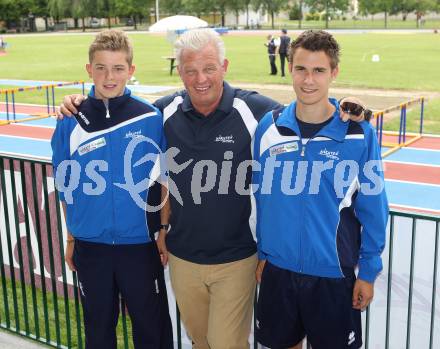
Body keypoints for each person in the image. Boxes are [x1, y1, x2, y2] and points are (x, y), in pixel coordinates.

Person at [58, 28, 366, 349]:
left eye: (208, 68)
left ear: (225, 66)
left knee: (225, 343)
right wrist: (78, 103)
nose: (200, 78)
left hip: (237, 259)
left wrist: (346, 106)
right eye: (190, 70)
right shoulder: (161, 113)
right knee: (201, 342)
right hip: (183, 258)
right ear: (180, 73)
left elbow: (305, 107)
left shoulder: (255, 111)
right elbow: (121, 110)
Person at [253, 30, 389, 349]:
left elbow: (373, 208)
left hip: (333, 274)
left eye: (319, 70)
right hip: (279, 270)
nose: (308, 80)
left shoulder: (359, 135)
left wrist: (368, 270)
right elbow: (259, 197)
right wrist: (264, 253)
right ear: (290, 69)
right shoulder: (268, 128)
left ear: (334, 73)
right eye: (301, 69)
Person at [51, 29, 173, 349]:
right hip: (91, 246)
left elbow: (163, 180)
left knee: (150, 330)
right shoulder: (69, 120)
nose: (109, 76)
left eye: (118, 68)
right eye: (101, 67)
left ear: (131, 71)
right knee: (99, 330)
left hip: (139, 246)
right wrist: (72, 237)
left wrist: (161, 231)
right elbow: (66, 186)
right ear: (89, 69)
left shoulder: (150, 116)